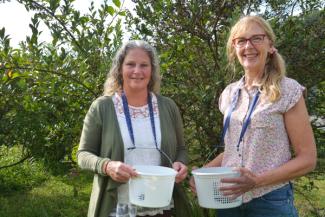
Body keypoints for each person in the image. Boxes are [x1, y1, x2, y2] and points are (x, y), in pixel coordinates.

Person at [190, 15, 317, 217]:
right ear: (234, 48)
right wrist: (202, 173)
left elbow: (308, 159)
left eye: (256, 38)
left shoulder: (287, 90)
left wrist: (256, 181)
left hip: (269, 201)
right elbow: (234, 149)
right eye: (241, 40)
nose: (248, 46)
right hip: (228, 199)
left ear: (270, 45)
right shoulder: (229, 94)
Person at [77, 40, 191, 217]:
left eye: (144, 65)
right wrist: (106, 166)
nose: (137, 71)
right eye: (130, 64)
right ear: (120, 69)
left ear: (151, 71)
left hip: (161, 206)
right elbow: (83, 154)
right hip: (119, 208)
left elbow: (181, 150)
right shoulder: (102, 107)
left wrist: (181, 164)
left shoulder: (168, 107)